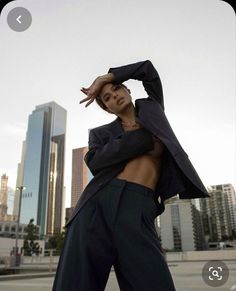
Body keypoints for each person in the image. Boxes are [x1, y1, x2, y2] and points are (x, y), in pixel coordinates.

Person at [52, 60, 210, 291]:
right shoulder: (101, 134)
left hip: (140, 208)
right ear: (107, 110)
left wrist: (105, 78)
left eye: (116, 89)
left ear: (127, 89)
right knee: (76, 285)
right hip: (97, 207)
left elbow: (148, 70)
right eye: (106, 98)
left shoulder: (153, 110)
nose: (114, 96)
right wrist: (142, 140)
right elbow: (95, 162)